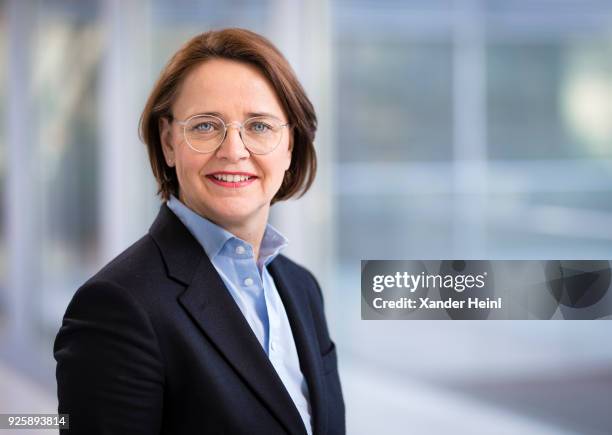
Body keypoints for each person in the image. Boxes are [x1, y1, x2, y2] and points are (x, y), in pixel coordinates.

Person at [53, 28, 345, 435]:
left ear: (290, 145)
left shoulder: (302, 290)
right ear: (169, 141)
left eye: (259, 126)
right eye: (206, 126)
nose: (234, 150)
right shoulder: (117, 307)